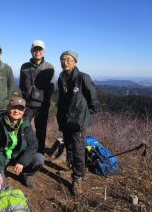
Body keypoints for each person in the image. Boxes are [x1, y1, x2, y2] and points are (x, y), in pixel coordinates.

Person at [56, 50, 100, 196]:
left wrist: (84, 115)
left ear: (75, 61)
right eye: (63, 59)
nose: (65, 62)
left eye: (68, 59)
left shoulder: (82, 78)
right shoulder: (61, 78)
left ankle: (78, 178)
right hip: (65, 118)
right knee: (68, 144)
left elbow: (93, 100)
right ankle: (70, 166)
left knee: (78, 149)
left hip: (78, 121)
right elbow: (62, 99)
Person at [0, 96, 44, 191]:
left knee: (39, 159)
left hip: (17, 156)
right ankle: (1, 172)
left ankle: (25, 175)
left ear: (24, 111)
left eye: (20, 108)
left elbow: (33, 145)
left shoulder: (25, 124)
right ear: (8, 108)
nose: (17, 111)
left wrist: (22, 162)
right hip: (1, 158)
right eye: (14, 107)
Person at [19, 40, 55, 153]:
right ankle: (24, 151)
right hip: (28, 104)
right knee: (23, 128)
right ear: (31, 51)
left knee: (41, 130)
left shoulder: (49, 67)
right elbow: (21, 85)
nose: (37, 52)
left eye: (39, 49)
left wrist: (46, 100)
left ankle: (39, 152)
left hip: (42, 105)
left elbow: (52, 87)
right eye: (35, 49)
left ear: (44, 52)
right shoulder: (24, 67)